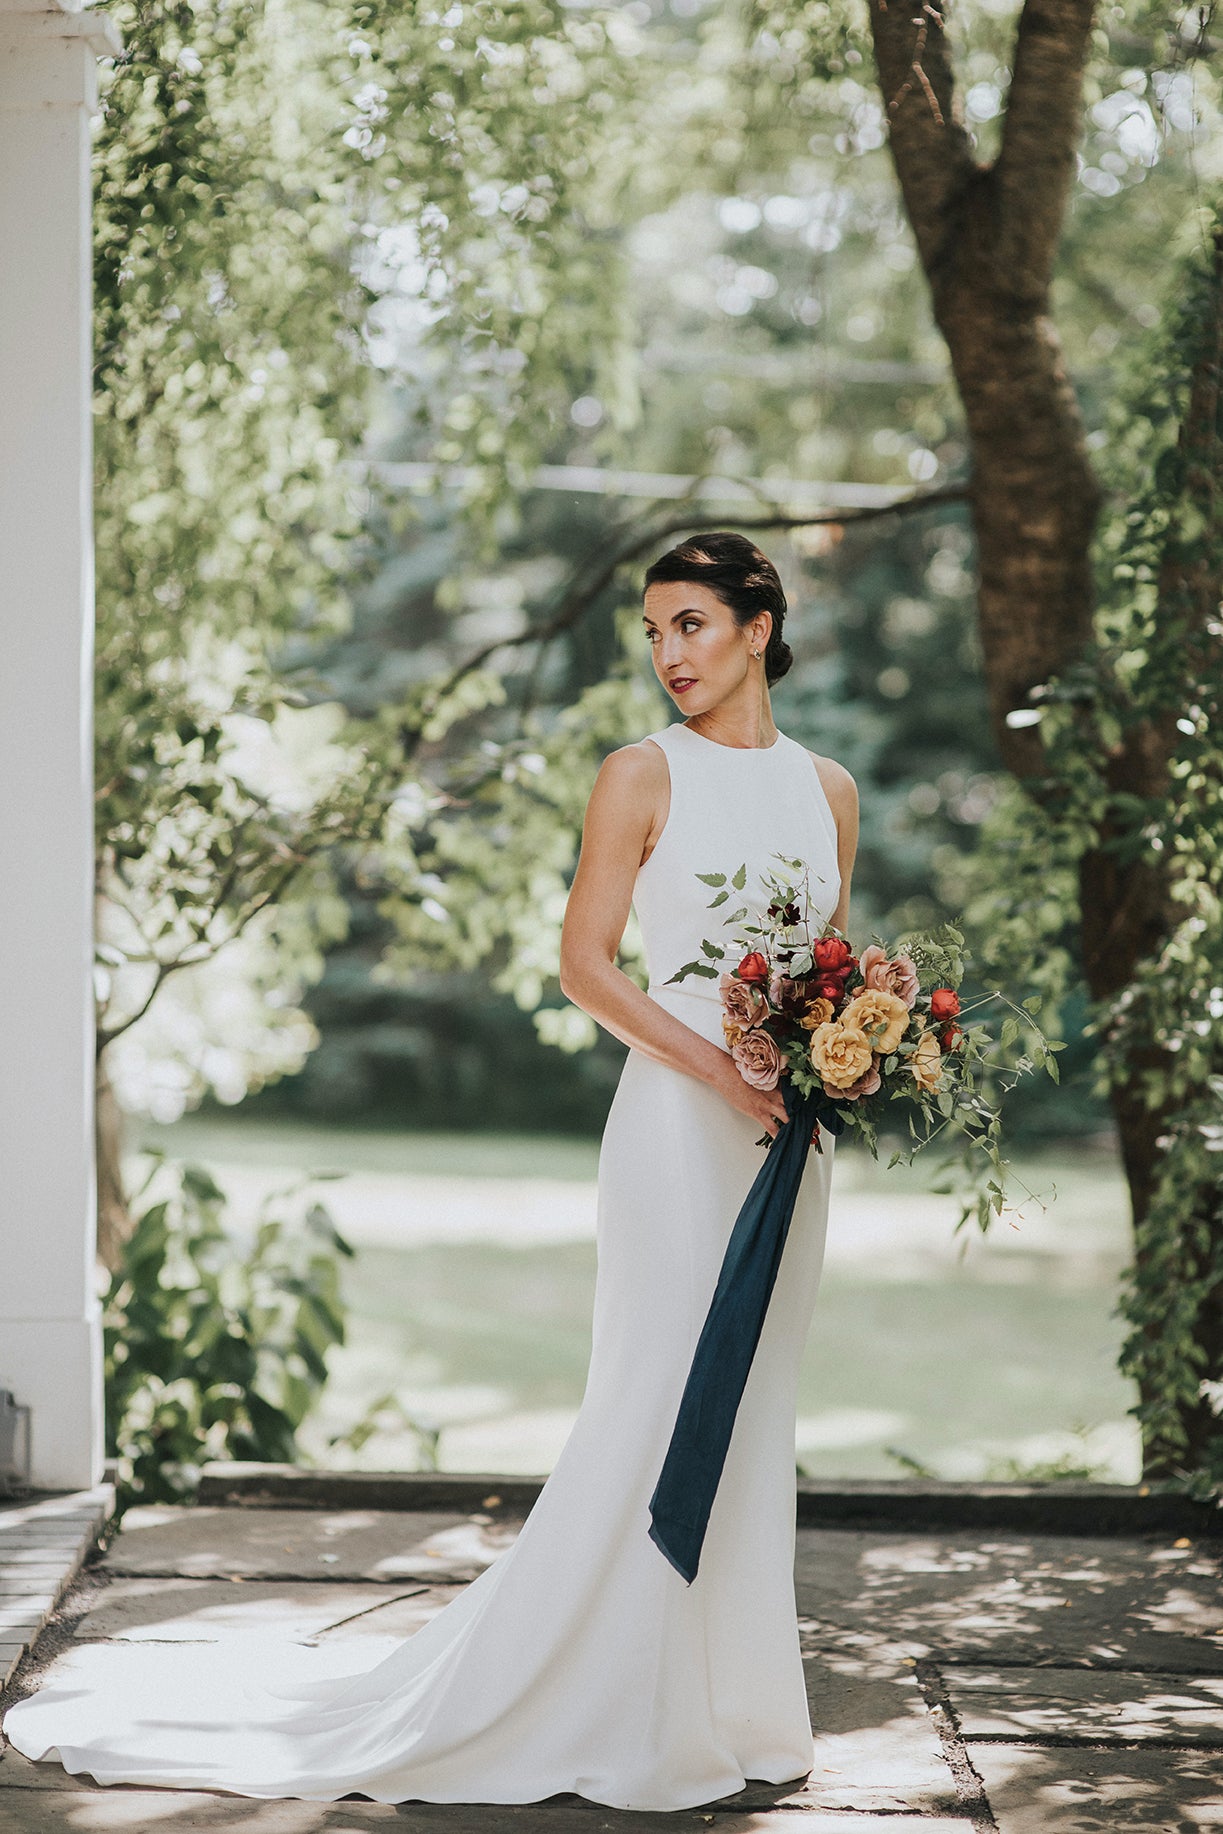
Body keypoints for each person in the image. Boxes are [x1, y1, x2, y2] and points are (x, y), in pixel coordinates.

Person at [2, 530, 858, 1811]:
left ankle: (736, 1704)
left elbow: (820, 970)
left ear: (756, 624)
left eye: (689, 624)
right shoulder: (638, 775)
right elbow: (587, 967)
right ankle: (615, 1700)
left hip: (785, 1143)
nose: (667, 653)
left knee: (753, 1412)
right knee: (651, 1402)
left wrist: (843, 1047)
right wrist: (720, 1067)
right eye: (652, 631)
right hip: (678, 1133)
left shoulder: (827, 787)